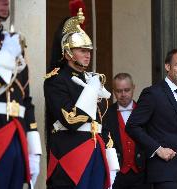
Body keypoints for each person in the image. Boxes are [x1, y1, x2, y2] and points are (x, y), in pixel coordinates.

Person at [44, 8, 112, 189]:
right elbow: (70, 119)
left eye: (89, 50)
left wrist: (109, 148)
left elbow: (101, 119)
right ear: (67, 53)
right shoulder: (56, 80)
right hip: (71, 152)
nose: (88, 54)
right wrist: (91, 91)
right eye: (82, 50)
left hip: (96, 149)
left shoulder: (90, 78)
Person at [126, 48, 177, 189]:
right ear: (167, 66)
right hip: (162, 173)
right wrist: (158, 149)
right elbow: (132, 126)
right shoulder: (152, 93)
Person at [0, 0, 42, 188]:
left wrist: (33, 148)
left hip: (16, 136)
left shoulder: (10, 41)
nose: (6, 2)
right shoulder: (8, 47)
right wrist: (5, 57)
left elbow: (25, 99)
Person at [102, 73, 150, 189]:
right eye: (119, 91)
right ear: (113, 91)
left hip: (141, 173)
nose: (123, 94)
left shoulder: (145, 112)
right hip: (117, 173)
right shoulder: (106, 114)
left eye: (127, 90)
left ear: (133, 88)